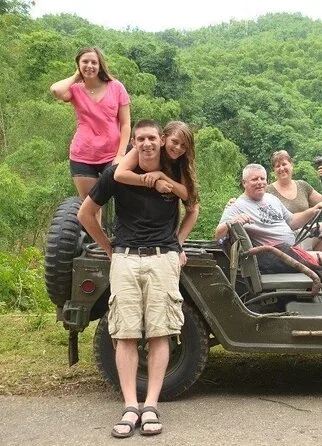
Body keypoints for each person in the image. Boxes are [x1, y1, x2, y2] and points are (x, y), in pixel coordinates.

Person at [77, 120, 183, 438]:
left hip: (162, 258)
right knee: (125, 334)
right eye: (140, 139)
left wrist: (178, 243)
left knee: (160, 333)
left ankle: (150, 405)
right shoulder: (116, 174)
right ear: (133, 143)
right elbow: (85, 213)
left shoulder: (175, 170)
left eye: (151, 138)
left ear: (161, 141)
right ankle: (129, 406)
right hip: (125, 257)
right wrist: (108, 248)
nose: (146, 143)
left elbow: (193, 204)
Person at [215, 163, 322, 275]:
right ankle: (321, 283)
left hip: (290, 247)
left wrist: (313, 211)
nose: (260, 182)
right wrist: (233, 221)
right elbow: (218, 235)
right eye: (255, 179)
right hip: (274, 256)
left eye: (262, 178)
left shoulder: (271, 198)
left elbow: (292, 221)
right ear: (244, 183)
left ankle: (312, 277)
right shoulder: (236, 206)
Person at [50, 47, 131, 200]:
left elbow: (126, 124)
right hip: (83, 154)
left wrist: (121, 154)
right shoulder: (75, 90)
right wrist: (76, 76)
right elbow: (56, 90)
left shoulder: (116, 87)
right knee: (90, 204)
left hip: (112, 154)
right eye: (85, 62)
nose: (89, 65)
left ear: (100, 65)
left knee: (122, 200)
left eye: (94, 62)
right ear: (78, 65)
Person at [114, 121, 200, 266]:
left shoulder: (182, 162)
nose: (178, 148)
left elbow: (188, 198)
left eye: (184, 146)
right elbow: (119, 174)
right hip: (132, 230)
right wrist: (153, 182)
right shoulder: (145, 147)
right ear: (163, 139)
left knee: (193, 207)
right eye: (175, 142)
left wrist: (177, 245)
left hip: (165, 236)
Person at [266, 150, 322, 252]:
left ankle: (314, 261)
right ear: (274, 170)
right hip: (283, 241)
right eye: (277, 166)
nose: (281, 168)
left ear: (291, 165)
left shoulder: (302, 186)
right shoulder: (268, 191)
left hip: (304, 235)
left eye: (284, 164)